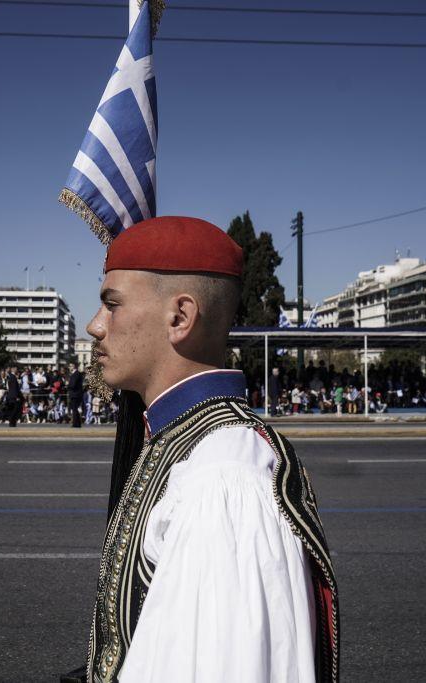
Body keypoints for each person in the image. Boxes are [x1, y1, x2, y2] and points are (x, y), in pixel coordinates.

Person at [73, 217, 338, 682]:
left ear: (180, 318)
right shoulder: (185, 444)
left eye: (112, 305)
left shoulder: (223, 477)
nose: (96, 325)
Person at [67, 361, 85, 428]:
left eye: (70, 366)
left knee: (74, 409)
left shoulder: (76, 374)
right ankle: (78, 423)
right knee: (75, 409)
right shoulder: (75, 374)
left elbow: (73, 384)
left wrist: (67, 385)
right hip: (75, 394)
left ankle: (75, 423)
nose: (69, 367)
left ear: (74, 366)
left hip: (75, 394)